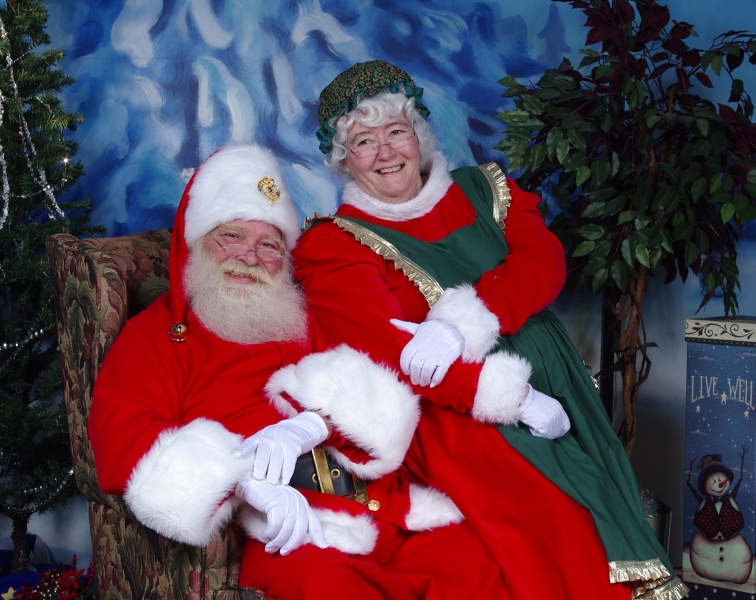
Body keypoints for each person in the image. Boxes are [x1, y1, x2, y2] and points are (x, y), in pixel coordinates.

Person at [294, 60, 687, 599]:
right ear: (343, 160)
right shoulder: (335, 243)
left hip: (559, 384)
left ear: (419, 134)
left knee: (602, 495)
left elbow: (543, 263)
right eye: (363, 141)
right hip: (455, 415)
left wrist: (461, 324)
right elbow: (385, 350)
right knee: (559, 515)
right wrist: (514, 400)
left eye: (396, 132)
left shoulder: (483, 189)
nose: (385, 152)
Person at [88, 144, 514, 599]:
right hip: (294, 531)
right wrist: (243, 480)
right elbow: (124, 440)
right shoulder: (155, 336)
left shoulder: (304, 315)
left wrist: (316, 423)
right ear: (197, 242)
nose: (250, 257)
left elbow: (381, 387)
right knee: (329, 587)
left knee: (477, 565)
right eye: (232, 236)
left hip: (388, 508)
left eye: (268, 245)